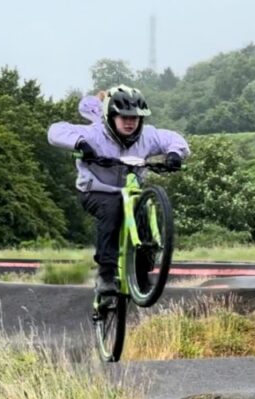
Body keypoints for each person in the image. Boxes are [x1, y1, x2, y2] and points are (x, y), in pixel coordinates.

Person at [48, 85, 190, 296]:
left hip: (130, 192)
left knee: (143, 212)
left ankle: (142, 275)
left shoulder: (147, 136)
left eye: (135, 117)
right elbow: (55, 131)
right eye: (123, 117)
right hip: (96, 190)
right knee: (113, 208)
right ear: (111, 117)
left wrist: (175, 154)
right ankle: (105, 274)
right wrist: (80, 144)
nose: (130, 122)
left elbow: (175, 139)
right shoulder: (95, 133)